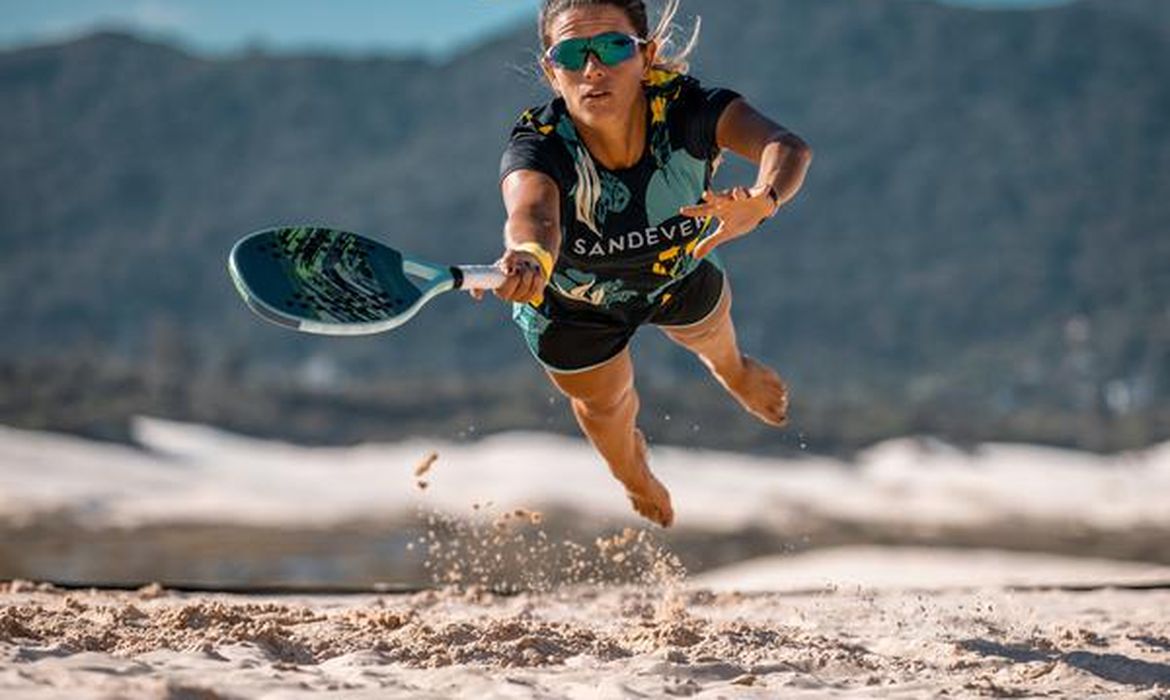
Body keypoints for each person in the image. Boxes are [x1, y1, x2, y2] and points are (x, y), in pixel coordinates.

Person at [482, 0, 812, 527]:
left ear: (646, 54)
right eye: (572, 54)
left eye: (613, 47)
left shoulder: (689, 108)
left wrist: (764, 198)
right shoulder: (539, 144)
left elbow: (786, 146)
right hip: (572, 305)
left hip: (676, 273)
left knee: (715, 342)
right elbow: (532, 212)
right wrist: (526, 255)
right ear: (552, 70)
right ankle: (634, 474)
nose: (594, 68)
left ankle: (734, 372)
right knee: (609, 411)